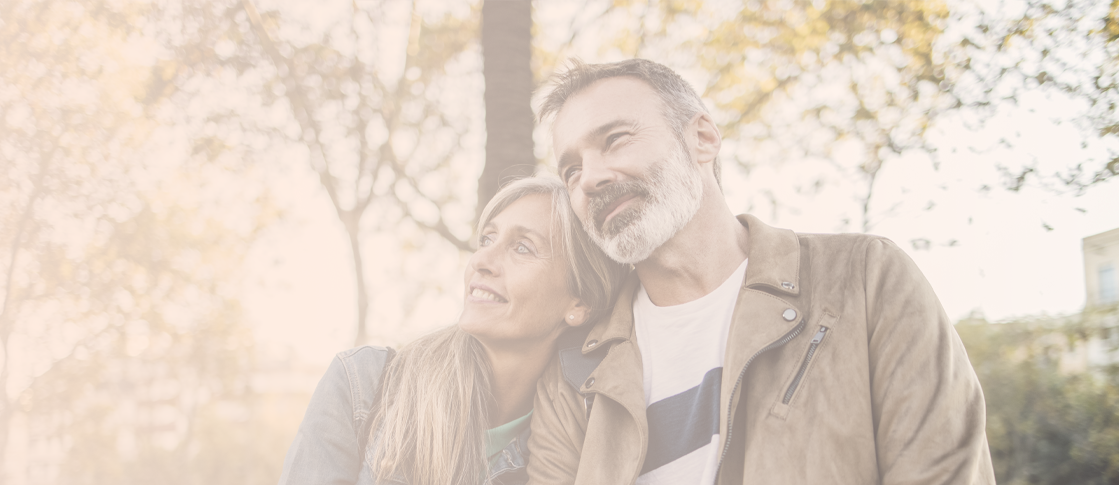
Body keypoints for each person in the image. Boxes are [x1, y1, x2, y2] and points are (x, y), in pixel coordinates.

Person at [527, 59, 994, 485]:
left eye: (614, 140)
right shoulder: (572, 375)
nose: (589, 179)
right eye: (571, 170)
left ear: (702, 139)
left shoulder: (866, 279)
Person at [279, 177, 628, 485]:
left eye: (522, 247)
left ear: (580, 304)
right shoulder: (362, 385)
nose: (481, 261)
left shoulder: (575, 443)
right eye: (486, 239)